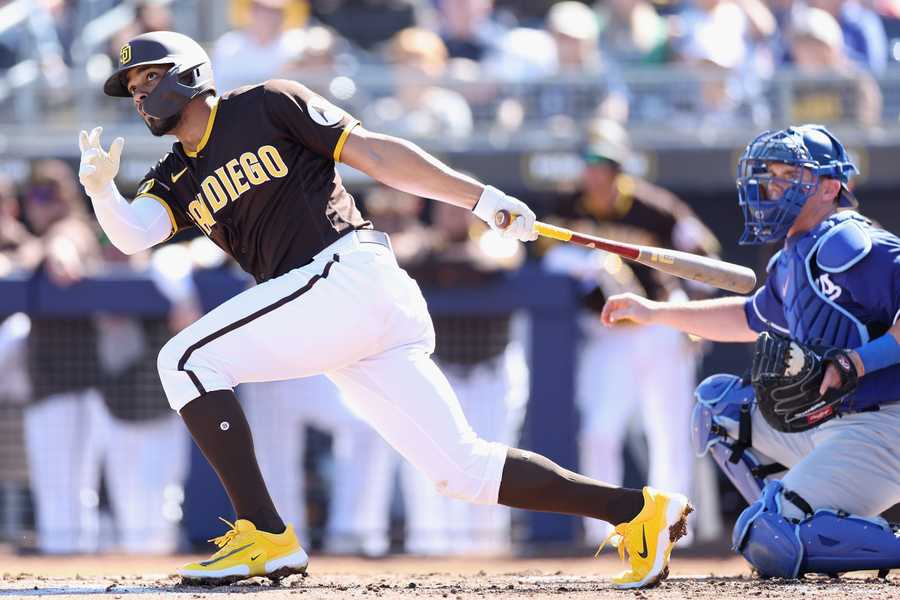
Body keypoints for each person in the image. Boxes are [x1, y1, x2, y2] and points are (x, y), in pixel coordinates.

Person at [78, 30, 691, 589]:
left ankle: (265, 534)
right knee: (462, 471)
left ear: (188, 73)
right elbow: (134, 235)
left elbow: (374, 154)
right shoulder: (174, 174)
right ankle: (636, 511)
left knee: (183, 358)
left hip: (345, 274)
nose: (139, 94)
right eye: (132, 87)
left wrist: (481, 198)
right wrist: (102, 189)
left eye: (149, 78)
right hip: (336, 309)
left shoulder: (265, 102)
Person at [601, 124, 900, 578]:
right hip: (835, 423)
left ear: (829, 187)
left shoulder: (848, 245)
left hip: (884, 426)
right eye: (771, 176)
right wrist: (654, 312)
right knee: (721, 406)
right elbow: (747, 318)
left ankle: (793, 523)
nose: (772, 187)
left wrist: (858, 361)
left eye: (789, 176)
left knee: (768, 537)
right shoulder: (792, 258)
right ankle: (798, 514)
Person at [543, 119, 720, 547]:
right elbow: (545, 255)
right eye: (589, 162)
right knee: (599, 430)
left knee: (669, 429)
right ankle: (600, 529)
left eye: (604, 163)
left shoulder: (656, 208)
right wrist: (587, 263)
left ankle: (673, 528)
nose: (595, 172)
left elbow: (704, 262)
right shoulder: (566, 205)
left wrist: (694, 317)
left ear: (619, 168)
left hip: (657, 325)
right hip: (608, 332)